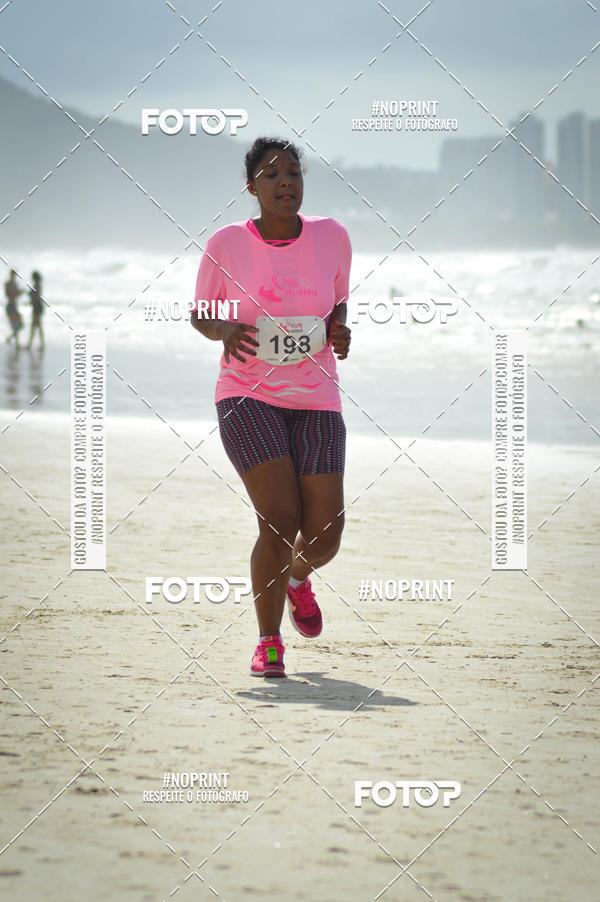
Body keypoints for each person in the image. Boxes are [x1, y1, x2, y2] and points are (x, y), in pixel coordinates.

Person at [190, 136, 352, 678]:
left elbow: (337, 302)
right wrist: (225, 329)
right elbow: (202, 314)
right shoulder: (227, 243)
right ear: (252, 187)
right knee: (280, 521)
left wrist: (338, 330)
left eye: (294, 173)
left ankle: (298, 579)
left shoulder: (333, 237)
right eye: (272, 174)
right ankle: (268, 641)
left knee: (325, 532)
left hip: (317, 398)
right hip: (247, 395)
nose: (286, 182)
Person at [4, 269, 24, 348]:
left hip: (14, 305)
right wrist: (17, 292)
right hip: (11, 306)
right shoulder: (8, 283)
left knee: (18, 325)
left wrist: (19, 292)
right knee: (16, 325)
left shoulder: (14, 284)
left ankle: (12, 340)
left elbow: (15, 294)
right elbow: (8, 294)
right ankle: (16, 344)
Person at [27, 270, 44, 350]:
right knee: (37, 326)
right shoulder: (38, 285)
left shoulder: (36, 286)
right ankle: (40, 345)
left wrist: (31, 299)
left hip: (36, 307)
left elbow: (36, 297)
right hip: (38, 306)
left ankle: (30, 345)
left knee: (34, 326)